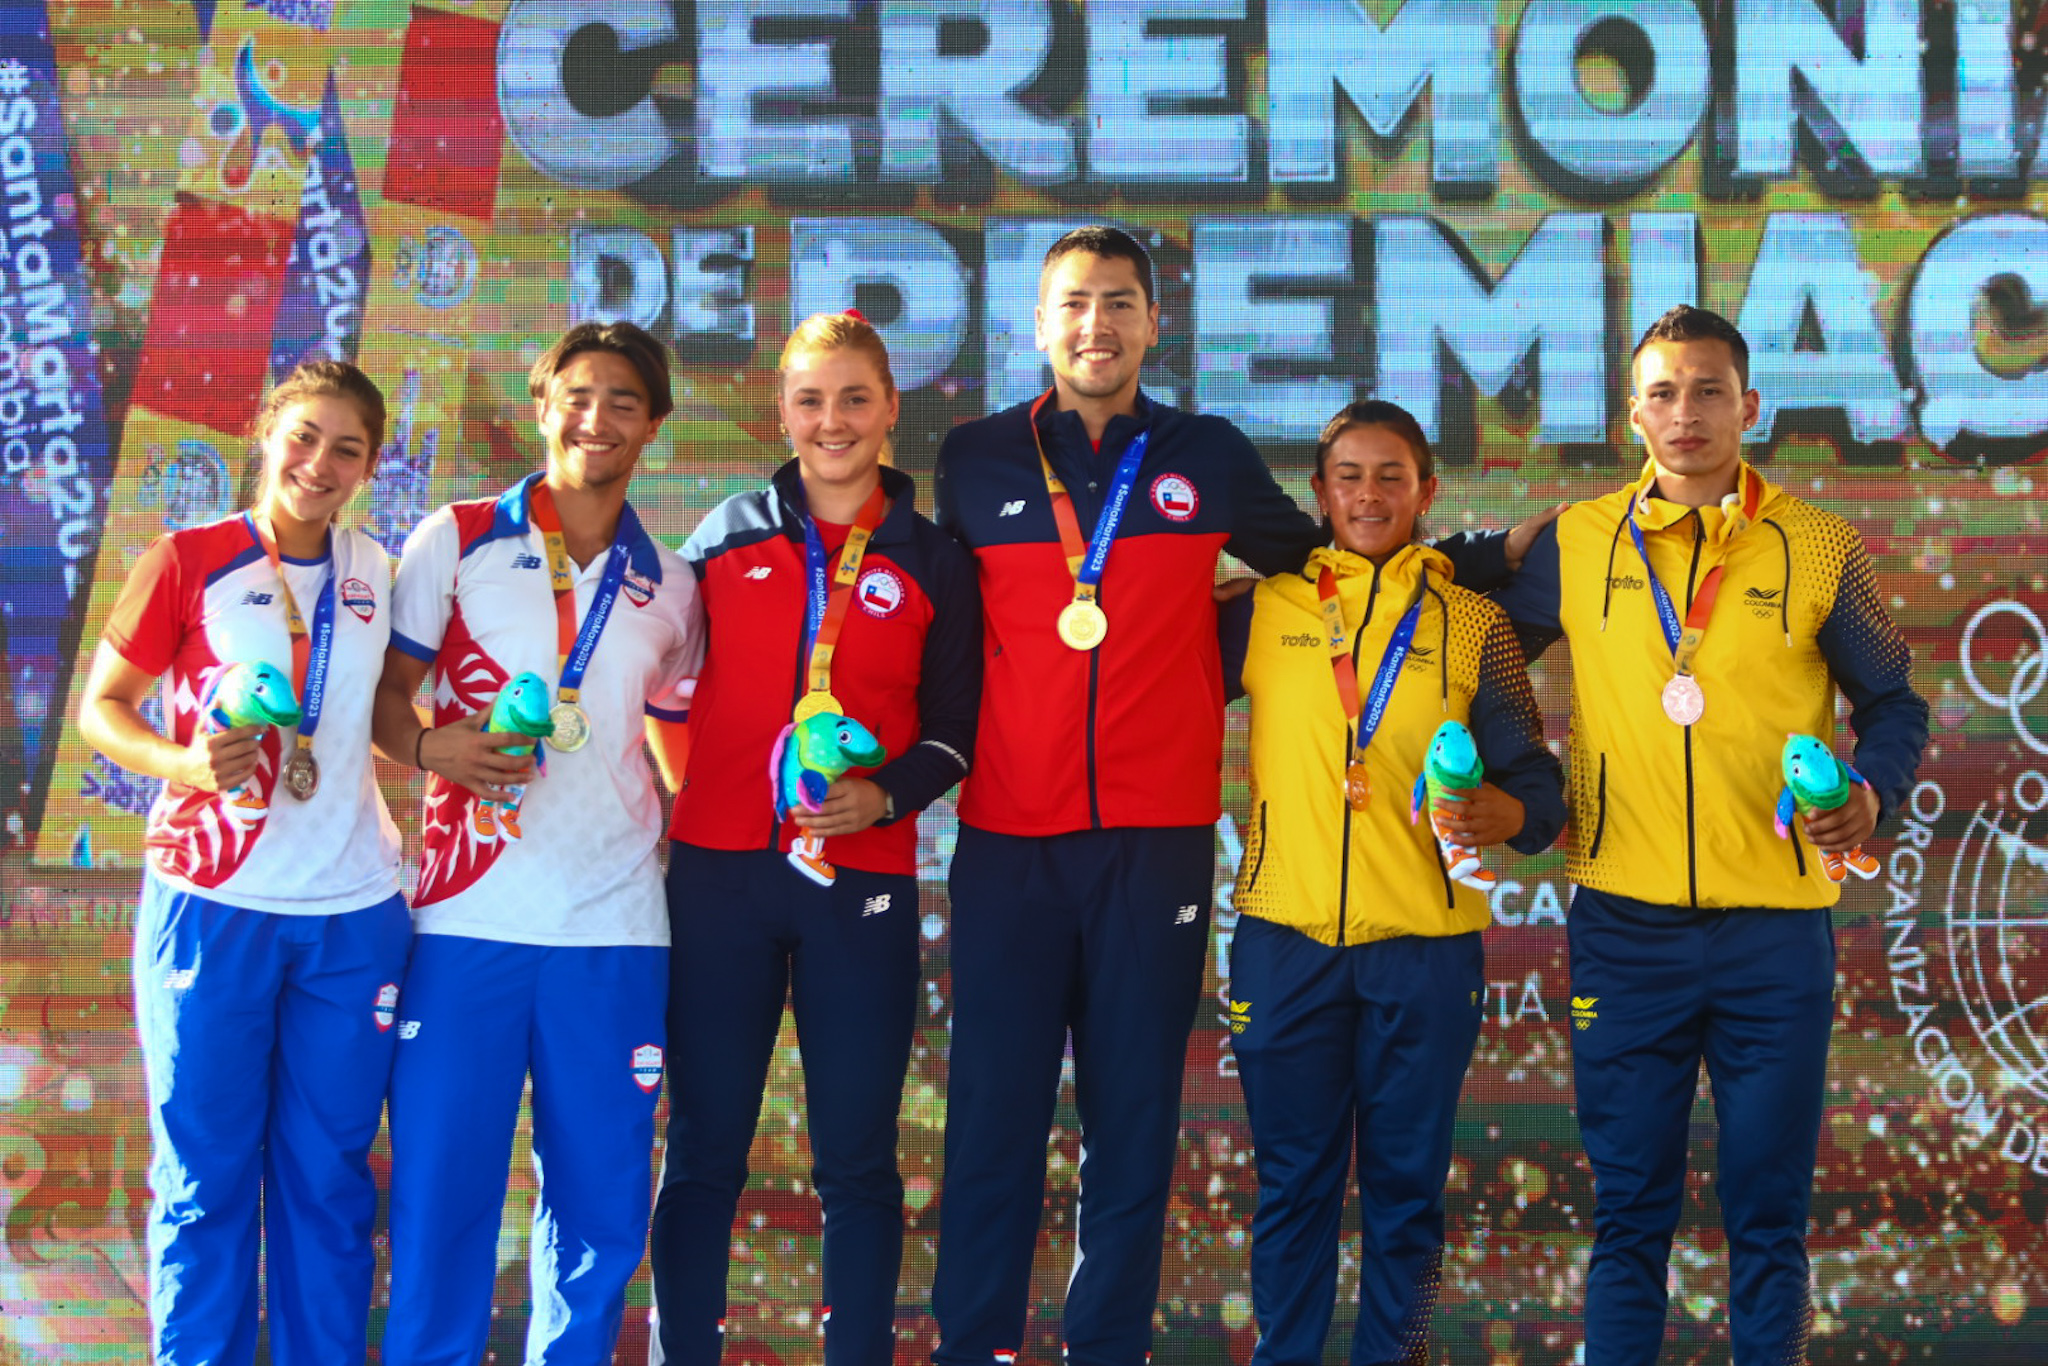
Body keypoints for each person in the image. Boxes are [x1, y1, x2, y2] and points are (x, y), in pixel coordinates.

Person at [1489, 305, 1929, 1365]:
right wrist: (1531, 782)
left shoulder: (1817, 543)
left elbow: (1896, 703)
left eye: (1704, 390)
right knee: (1628, 1214)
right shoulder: (1577, 539)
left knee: (1765, 1216)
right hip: (1621, 931)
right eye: (1660, 392)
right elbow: (1484, 655)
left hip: (1773, 936)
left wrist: (1869, 792)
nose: (1682, 413)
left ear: (1748, 406)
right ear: (1627, 413)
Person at [647, 310, 981, 1364]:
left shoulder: (934, 558)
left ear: (889, 410)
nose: (830, 421)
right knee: (702, 1149)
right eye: (809, 399)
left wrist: (882, 798)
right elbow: (657, 689)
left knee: (855, 1159)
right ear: (780, 411)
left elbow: (955, 735)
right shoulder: (723, 535)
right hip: (718, 880)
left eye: (852, 399)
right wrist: (699, 800)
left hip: (861, 882)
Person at [372, 321, 705, 1364]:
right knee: (440, 1202)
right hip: (465, 922)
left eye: (620, 400)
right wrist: (434, 746)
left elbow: (679, 733)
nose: (594, 417)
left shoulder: (674, 583)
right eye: (576, 393)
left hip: (611, 928)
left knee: (601, 1216)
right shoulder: (458, 534)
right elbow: (383, 699)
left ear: (651, 425)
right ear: (540, 401)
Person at [1218, 400, 1565, 1365]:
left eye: (1390, 477)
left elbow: (1534, 780)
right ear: (1319, 494)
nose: (1369, 494)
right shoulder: (1262, 608)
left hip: (1424, 945)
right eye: (1349, 477)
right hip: (1284, 941)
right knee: (1294, 1187)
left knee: (1409, 1191)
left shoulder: (1473, 623)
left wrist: (1511, 815)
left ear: (1426, 493)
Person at [77, 360, 406, 1366]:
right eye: (304, 435)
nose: (320, 462)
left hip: (353, 914)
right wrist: (181, 761)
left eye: (346, 447)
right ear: (268, 432)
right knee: (205, 1179)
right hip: (211, 903)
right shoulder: (190, 557)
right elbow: (103, 708)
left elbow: (388, 723)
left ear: (368, 465)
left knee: (328, 1178)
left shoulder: (378, 573)